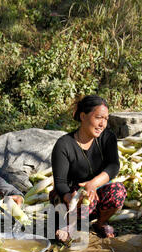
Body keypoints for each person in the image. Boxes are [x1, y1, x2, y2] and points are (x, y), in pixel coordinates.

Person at [50, 94, 126, 242]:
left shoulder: (107, 137)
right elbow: (60, 183)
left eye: (106, 119)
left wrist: (93, 184)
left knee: (118, 191)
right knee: (80, 202)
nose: (102, 124)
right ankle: (68, 224)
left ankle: (100, 223)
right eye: (98, 118)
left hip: (96, 193)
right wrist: (70, 198)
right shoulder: (64, 145)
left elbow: (114, 165)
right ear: (83, 116)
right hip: (70, 197)